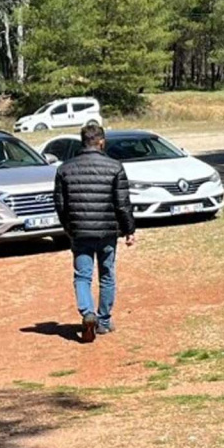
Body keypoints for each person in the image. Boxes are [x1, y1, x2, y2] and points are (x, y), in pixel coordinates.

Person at [52, 122, 135, 343]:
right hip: (107, 231)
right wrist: (129, 229)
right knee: (107, 274)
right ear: (101, 142)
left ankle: (88, 312)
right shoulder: (115, 167)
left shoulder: (64, 169)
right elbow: (122, 203)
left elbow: (60, 205)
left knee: (82, 276)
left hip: (79, 231)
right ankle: (104, 321)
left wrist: (69, 228)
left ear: (82, 142)